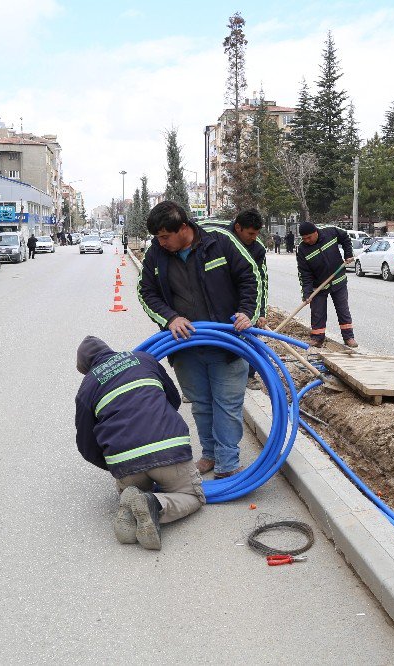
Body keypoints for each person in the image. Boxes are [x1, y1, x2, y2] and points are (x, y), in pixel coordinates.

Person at [138, 201, 262, 479]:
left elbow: (250, 277)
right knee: (202, 404)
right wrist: (170, 318)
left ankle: (228, 464)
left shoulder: (219, 242)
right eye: (158, 237)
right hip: (185, 346)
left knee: (227, 405)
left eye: (165, 236)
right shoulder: (156, 254)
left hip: (227, 343)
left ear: (183, 228)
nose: (161, 242)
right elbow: (146, 292)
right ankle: (209, 455)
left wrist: (247, 312)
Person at [74, 336, 204, 550]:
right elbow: (173, 398)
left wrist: (116, 466)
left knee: (133, 488)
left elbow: (86, 447)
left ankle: (130, 504)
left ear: (86, 367)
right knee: (192, 496)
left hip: (126, 464)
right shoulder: (143, 359)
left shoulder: (87, 386)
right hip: (168, 451)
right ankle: (154, 504)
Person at [212, 209, 268, 390]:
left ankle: (249, 375)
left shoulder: (257, 249)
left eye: (257, 233)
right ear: (238, 228)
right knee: (214, 337)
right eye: (251, 233)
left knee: (249, 334)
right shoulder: (219, 240)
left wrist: (260, 312)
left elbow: (261, 280)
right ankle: (202, 384)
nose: (254, 237)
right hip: (220, 297)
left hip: (245, 298)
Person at [296, 221, 358, 348]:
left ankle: (348, 337)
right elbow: (304, 274)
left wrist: (348, 254)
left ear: (315, 232)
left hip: (338, 279)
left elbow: (345, 237)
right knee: (317, 312)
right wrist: (307, 293)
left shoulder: (330, 232)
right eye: (304, 238)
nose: (307, 240)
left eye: (309, 237)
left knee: (343, 310)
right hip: (318, 286)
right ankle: (317, 338)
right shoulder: (302, 249)